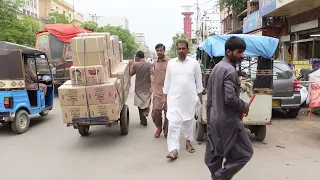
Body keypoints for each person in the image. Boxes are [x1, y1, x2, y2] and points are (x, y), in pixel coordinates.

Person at [205, 36, 253, 180]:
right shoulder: (229, 70)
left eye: (243, 52)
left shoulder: (217, 67)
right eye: (239, 52)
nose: (242, 56)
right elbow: (230, 98)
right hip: (228, 121)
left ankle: (216, 176)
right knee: (245, 152)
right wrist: (244, 105)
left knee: (217, 154)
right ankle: (220, 176)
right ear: (228, 52)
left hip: (214, 119)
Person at [163, 40, 203, 160]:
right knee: (173, 123)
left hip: (189, 98)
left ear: (187, 49)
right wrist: (164, 96)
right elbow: (167, 80)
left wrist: (199, 96)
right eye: (179, 49)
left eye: (183, 48)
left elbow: (199, 80)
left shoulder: (194, 63)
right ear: (177, 49)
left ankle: (188, 142)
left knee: (188, 122)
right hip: (174, 98)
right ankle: (173, 149)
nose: (181, 51)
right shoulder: (171, 63)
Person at [129, 51, 153, 126]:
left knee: (140, 104)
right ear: (144, 56)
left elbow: (130, 74)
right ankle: (145, 113)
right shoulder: (150, 65)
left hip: (138, 88)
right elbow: (153, 74)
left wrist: (130, 65)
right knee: (147, 102)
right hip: (147, 87)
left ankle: (142, 119)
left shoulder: (136, 65)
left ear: (137, 57)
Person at [151, 43, 170, 138]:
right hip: (157, 91)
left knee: (168, 113)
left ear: (164, 51)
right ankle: (159, 128)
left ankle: (166, 131)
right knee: (155, 111)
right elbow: (152, 74)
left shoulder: (170, 62)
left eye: (160, 50)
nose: (159, 52)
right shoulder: (154, 62)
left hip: (169, 92)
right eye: (157, 51)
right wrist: (152, 85)